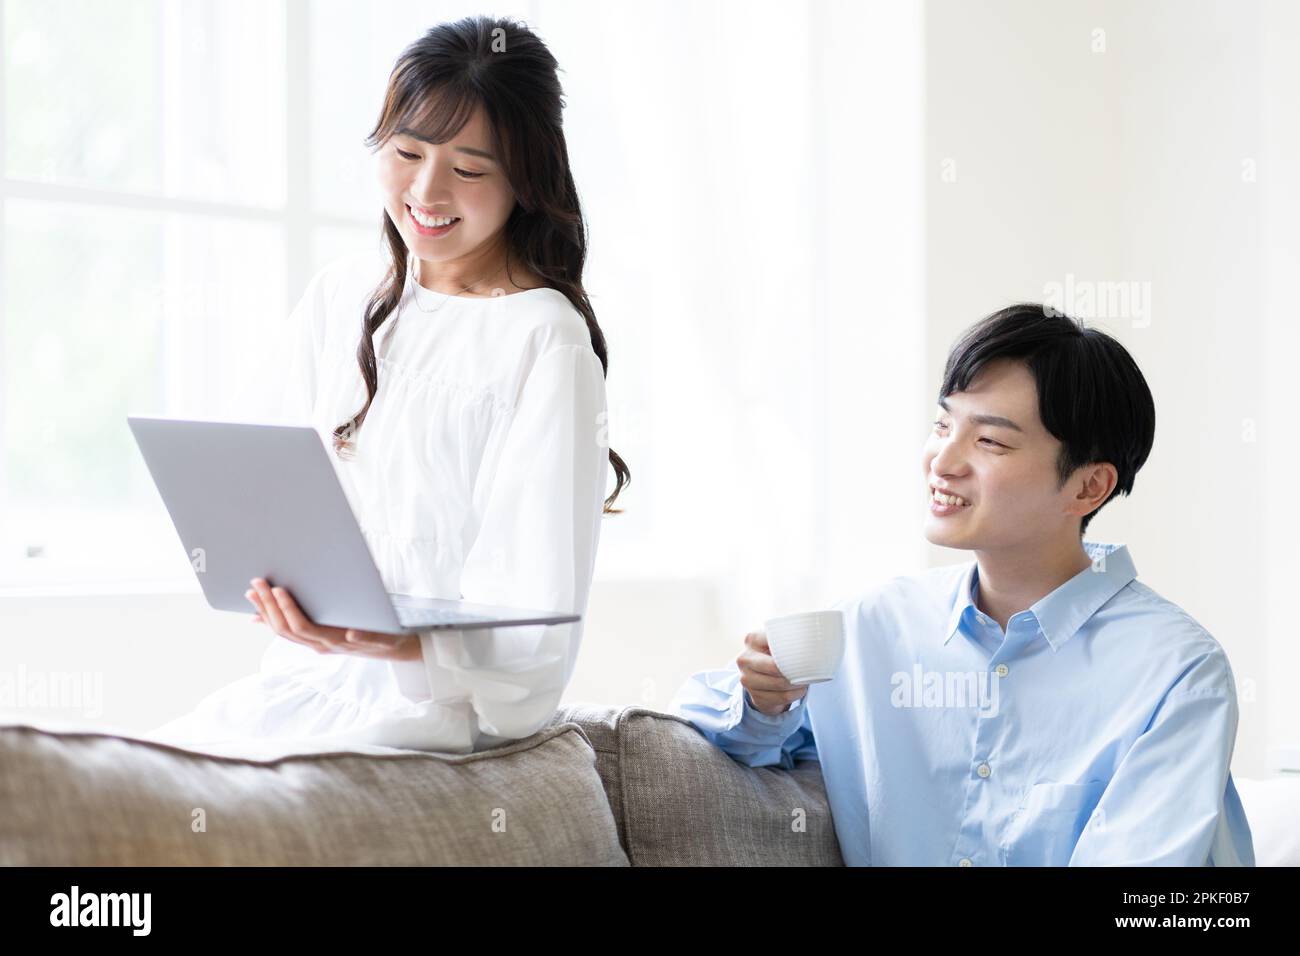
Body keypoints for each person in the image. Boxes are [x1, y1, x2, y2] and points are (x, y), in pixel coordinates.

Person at [147, 15, 628, 756]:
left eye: (470, 169)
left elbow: (536, 643)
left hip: (430, 723)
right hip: (303, 684)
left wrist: (394, 644)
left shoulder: (544, 338)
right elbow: (262, 483)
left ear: (526, 181)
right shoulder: (343, 297)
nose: (428, 191)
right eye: (407, 152)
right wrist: (288, 592)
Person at [670, 304, 1253, 866]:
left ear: (1087, 488)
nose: (942, 461)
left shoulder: (1176, 671)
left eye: (990, 441)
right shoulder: (874, 627)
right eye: (943, 424)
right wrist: (765, 699)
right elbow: (713, 735)